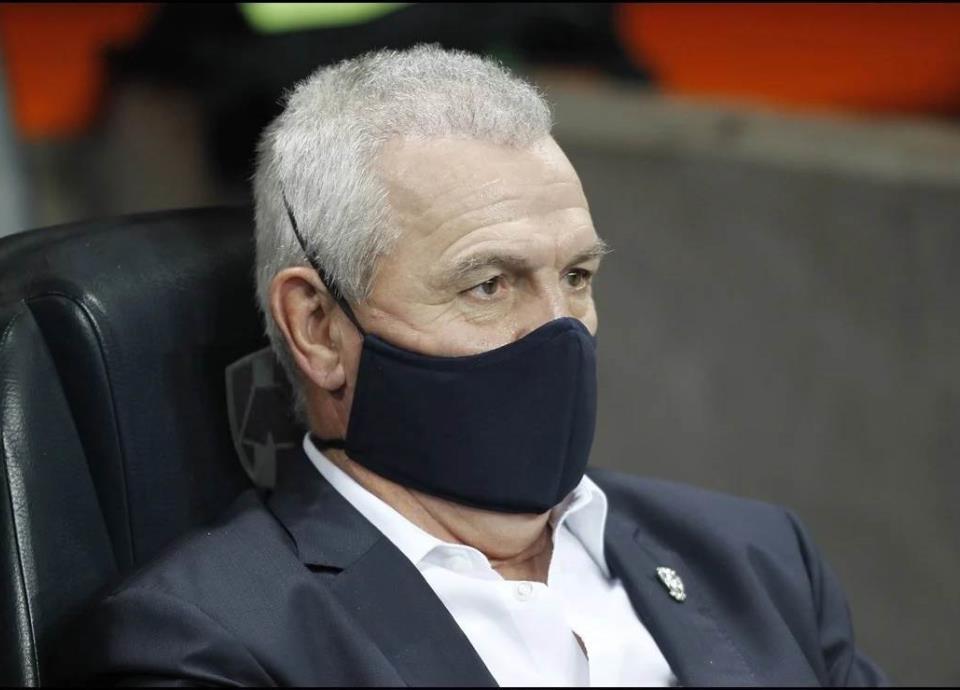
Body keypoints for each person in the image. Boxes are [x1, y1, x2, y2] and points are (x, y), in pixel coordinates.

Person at [63, 45, 886, 686]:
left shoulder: (757, 560)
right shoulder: (208, 641)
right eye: (490, 284)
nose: (561, 330)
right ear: (318, 328)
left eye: (577, 276)